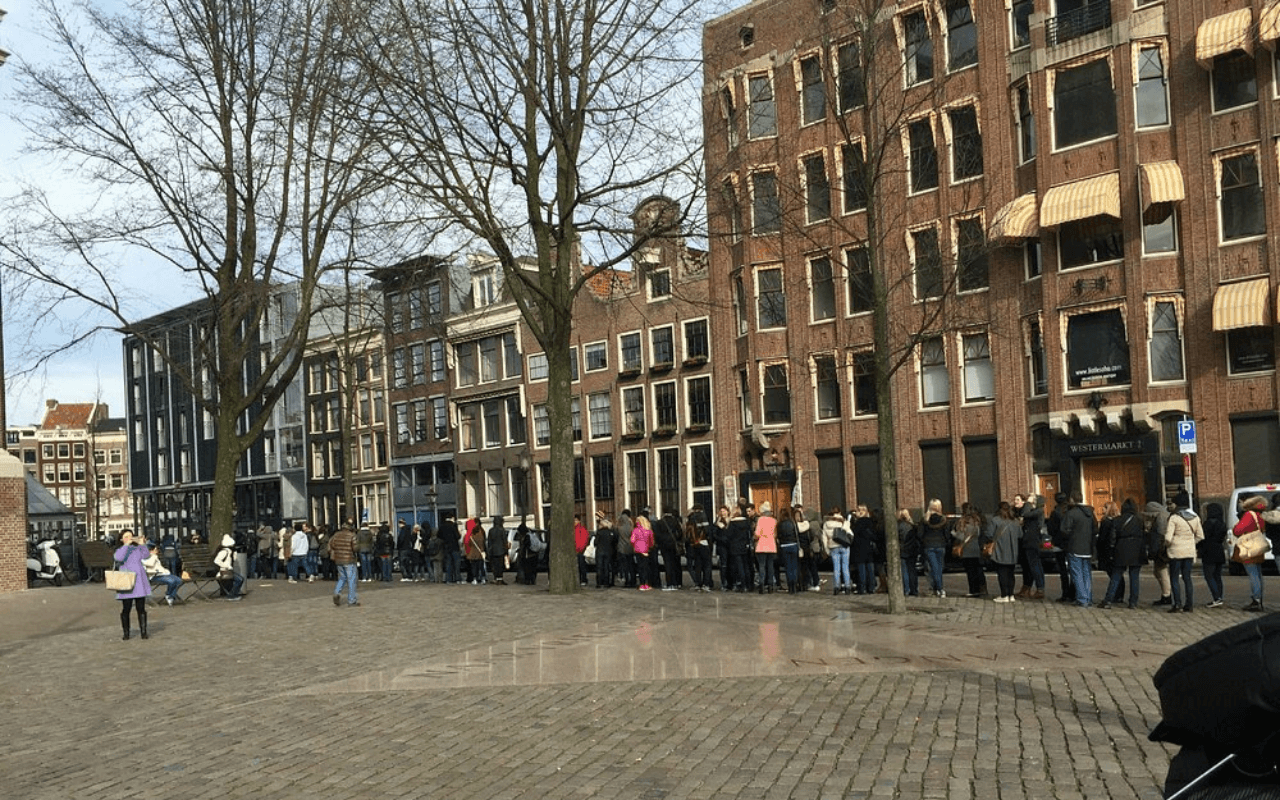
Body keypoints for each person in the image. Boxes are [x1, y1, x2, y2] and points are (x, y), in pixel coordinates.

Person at [1099, 499, 1145, 609]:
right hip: (1136, 548)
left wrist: (1111, 550)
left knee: (1116, 575)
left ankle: (1108, 600)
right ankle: (1133, 601)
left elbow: (1112, 538)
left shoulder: (1117, 520)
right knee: (1134, 576)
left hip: (1121, 548)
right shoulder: (1139, 520)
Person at [1165, 496, 1204, 613]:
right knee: (1187, 578)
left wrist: (1169, 545)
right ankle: (1189, 604)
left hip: (1175, 551)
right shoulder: (1195, 517)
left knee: (1174, 578)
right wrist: (1191, 542)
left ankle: (1177, 604)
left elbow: (1168, 537)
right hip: (1189, 551)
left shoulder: (1174, 518)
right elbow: (1200, 536)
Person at [113, 530, 152, 640]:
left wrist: (142, 544)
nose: (130, 538)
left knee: (141, 607)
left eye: (131, 536)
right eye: (126, 537)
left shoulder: (137, 549)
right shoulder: (120, 550)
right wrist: (126, 545)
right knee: (126, 608)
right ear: (121, 539)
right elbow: (118, 558)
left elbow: (146, 556)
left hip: (139, 579)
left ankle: (143, 631)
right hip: (126, 580)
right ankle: (126, 632)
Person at [1232, 495, 1269, 612]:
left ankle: (1256, 600)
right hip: (1257, 546)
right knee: (1258, 574)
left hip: (1249, 548)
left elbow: (1237, 530)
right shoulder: (1260, 515)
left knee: (1253, 574)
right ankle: (1259, 599)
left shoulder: (1249, 515)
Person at [1060, 493, 1096, 608]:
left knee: (1077, 574)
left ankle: (1082, 598)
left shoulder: (1071, 513)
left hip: (1074, 547)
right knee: (1086, 574)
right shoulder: (1090, 513)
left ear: (1072, 499)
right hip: (1087, 547)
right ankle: (1088, 597)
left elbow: (1064, 530)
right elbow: (1095, 529)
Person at [1013, 494, 1046, 600]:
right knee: (1027, 566)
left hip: (1031, 542)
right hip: (1025, 542)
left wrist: (1027, 503)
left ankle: (1040, 588)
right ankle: (1026, 587)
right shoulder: (1029, 511)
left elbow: (1025, 514)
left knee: (1035, 565)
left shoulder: (1037, 511)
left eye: (1031, 497)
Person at [989, 502, 1022, 602]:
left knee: (1002, 573)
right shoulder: (1015, 521)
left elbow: (989, 534)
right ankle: (1011, 595)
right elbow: (1020, 535)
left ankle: (1004, 595)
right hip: (1013, 551)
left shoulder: (996, 520)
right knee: (1011, 574)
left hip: (1000, 550)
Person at [953, 504, 988, 598]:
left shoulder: (963, 521)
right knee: (978, 569)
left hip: (967, 548)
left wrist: (953, 533)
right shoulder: (977, 521)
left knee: (970, 571)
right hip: (976, 548)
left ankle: (973, 590)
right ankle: (982, 589)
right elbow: (980, 534)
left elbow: (960, 536)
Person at [919, 499, 949, 598]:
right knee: (939, 568)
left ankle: (938, 588)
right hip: (940, 545)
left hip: (929, 545)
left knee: (933, 568)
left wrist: (923, 542)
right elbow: (947, 534)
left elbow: (920, 534)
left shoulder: (925, 519)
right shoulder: (943, 519)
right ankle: (939, 588)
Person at [1145, 501, 1173, 606]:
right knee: (1159, 571)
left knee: (1161, 571)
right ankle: (1166, 594)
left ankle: (1166, 595)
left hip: (1161, 549)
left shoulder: (1161, 518)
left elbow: (1160, 536)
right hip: (1163, 548)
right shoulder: (1164, 515)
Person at [1199, 503, 1227, 608]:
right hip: (1219, 551)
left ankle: (1216, 597)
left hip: (1209, 551)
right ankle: (1219, 597)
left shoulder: (1208, 523)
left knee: (1209, 575)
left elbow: (1203, 537)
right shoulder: (1221, 523)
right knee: (1217, 576)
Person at [143, 540, 183, 606]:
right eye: (154, 549)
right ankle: (169, 595)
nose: (156, 550)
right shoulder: (147, 557)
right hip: (154, 576)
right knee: (172, 581)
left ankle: (169, 595)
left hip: (162, 574)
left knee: (179, 580)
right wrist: (153, 555)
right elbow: (150, 564)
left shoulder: (153, 556)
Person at [329, 525, 360, 607]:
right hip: (349, 559)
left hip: (338, 559)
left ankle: (337, 592)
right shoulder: (352, 535)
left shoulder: (336, 535)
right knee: (351, 579)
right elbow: (355, 548)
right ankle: (352, 600)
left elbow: (331, 545)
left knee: (342, 577)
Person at [849, 505, 877, 595]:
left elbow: (853, 534)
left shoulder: (858, 523)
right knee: (870, 568)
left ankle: (862, 587)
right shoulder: (871, 522)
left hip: (859, 548)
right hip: (869, 547)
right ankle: (871, 587)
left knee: (861, 569)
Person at [823, 509, 851, 595]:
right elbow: (848, 531)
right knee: (845, 567)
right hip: (843, 545)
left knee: (836, 568)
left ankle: (836, 587)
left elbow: (824, 538)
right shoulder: (843, 521)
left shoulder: (826, 524)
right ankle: (847, 586)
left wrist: (827, 549)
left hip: (833, 546)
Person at [752, 501, 778, 593]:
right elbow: (775, 534)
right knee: (770, 566)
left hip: (761, 545)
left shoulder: (760, 520)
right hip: (771, 546)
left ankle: (762, 585)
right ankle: (770, 586)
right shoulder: (774, 520)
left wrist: (755, 537)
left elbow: (757, 534)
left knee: (762, 566)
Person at [775, 506, 800, 594]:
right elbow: (797, 534)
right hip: (793, 545)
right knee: (795, 566)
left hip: (784, 546)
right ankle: (795, 585)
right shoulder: (792, 523)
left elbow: (778, 536)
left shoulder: (779, 524)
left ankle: (790, 586)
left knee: (788, 567)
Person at [897, 509, 921, 597]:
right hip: (912, 550)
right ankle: (914, 589)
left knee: (904, 570)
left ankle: (906, 589)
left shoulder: (898, 525)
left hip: (902, 550)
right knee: (912, 570)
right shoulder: (913, 525)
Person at [214, 533, 245, 600]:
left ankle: (231, 593)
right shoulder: (224, 552)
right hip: (223, 571)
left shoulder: (229, 551)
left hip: (226, 571)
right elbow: (216, 561)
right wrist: (226, 566)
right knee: (239, 579)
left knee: (239, 579)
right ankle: (232, 595)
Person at [631, 511, 654, 590]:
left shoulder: (636, 530)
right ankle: (646, 584)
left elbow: (632, 540)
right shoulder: (648, 530)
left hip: (638, 550)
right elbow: (651, 541)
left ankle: (642, 584)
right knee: (646, 567)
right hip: (646, 550)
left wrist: (635, 545)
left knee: (640, 567)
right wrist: (649, 546)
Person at [594, 512, 616, 588]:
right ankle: (606, 583)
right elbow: (613, 542)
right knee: (606, 567)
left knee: (599, 567)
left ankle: (599, 583)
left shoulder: (599, 532)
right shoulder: (610, 532)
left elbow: (595, 542)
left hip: (600, 551)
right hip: (608, 551)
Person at [439, 515, 462, 584]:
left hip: (446, 547)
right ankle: (457, 578)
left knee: (448, 564)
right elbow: (457, 536)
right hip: (454, 547)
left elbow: (439, 536)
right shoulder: (454, 526)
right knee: (456, 564)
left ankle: (448, 579)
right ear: (452, 518)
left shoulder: (442, 526)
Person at [487, 515, 509, 585]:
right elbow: (505, 541)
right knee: (501, 565)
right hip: (501, 551)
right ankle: (500, 578)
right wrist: (506, 550)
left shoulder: (491, 530)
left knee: (495, 565)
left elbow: (489, 542)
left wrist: (489, 551)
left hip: (493, 551)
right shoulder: (502, 530)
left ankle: (496, 578)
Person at [464, 519, 486, 584]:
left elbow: (467, 544)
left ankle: (475, 579)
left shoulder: (471, 535)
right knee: (481, 566)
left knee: (474, 567)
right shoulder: (481, 533)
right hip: (480, 552)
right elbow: (483, 542)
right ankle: (483, 578)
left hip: (472, 553)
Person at [574, 514, 591, 587]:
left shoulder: (582, 529)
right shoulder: (572, 530)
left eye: (575, 520)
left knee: (582, 566)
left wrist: (580, 549)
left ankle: (583, 579)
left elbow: (584, 540)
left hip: (580, 551)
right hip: (573, 551)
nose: (574, 522)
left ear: (579, 521)